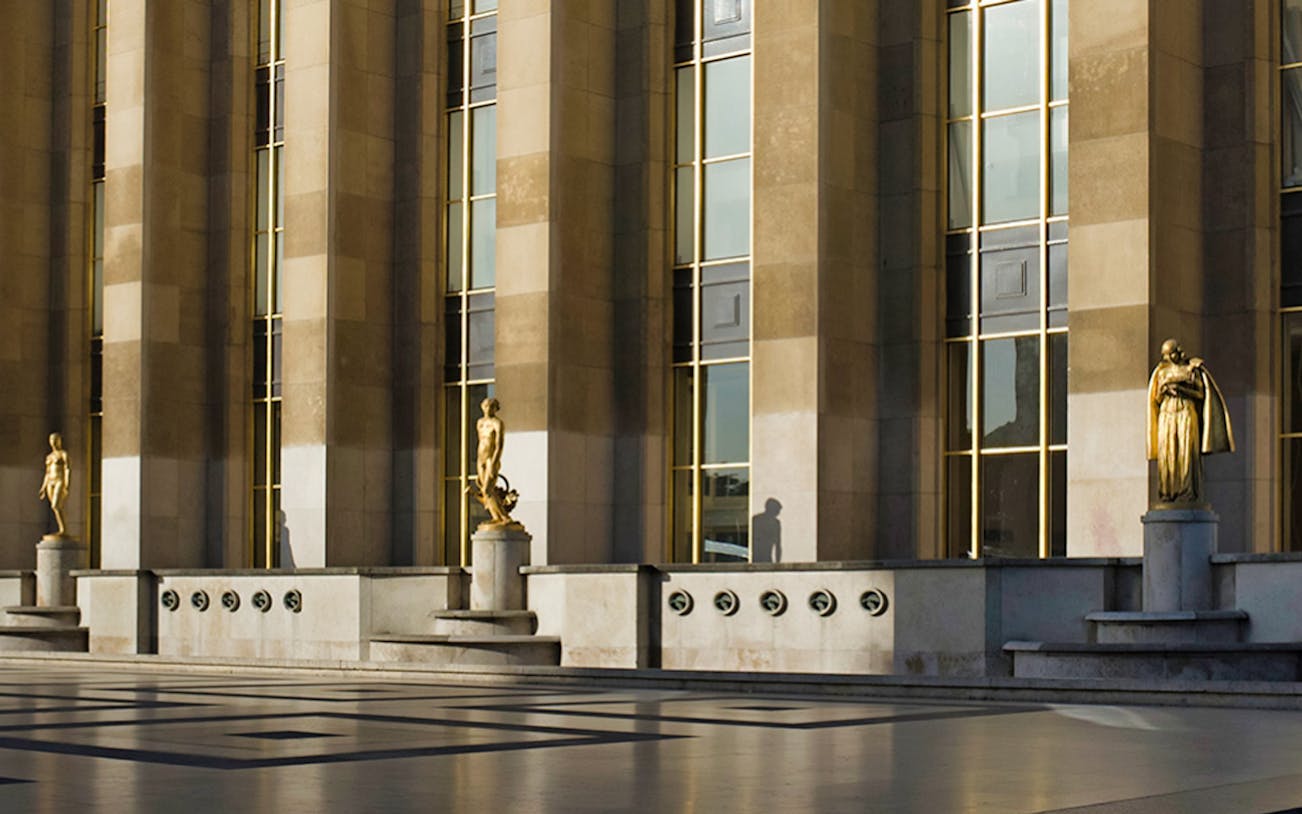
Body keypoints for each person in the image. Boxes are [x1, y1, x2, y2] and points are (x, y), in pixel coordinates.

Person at [1145, 339, 1234, 505]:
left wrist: (1181, 389)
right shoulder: (1161, 372)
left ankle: (1187, 491)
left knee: (1186, 452)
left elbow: (1200, 393)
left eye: (1172, 353)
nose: (1170, 357)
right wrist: (1165, 390)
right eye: (1166, 355)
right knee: (1168, 451)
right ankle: (1168, 491)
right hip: (1167, 413)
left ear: (1178, 351)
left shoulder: (1192, 369)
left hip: (1186, 412)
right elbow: (1156, 398)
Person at [474, 398, 511, 526]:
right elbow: (480, 441)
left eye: (491, 406)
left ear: (496, 408)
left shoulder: (497, 423)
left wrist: (494, 462)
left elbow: (498, 445)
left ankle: (503, 517)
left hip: (491, 459)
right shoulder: (479, 423)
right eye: (485, 406)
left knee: (487, 489)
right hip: (481, 458)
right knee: (486, 491)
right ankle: (497, 517)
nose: (488, 409)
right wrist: (479, 461)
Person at [38, 432, 71, 536]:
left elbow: (67, 469)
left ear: (59, 441)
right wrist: (43, 487)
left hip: (59, 480)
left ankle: (63, 529)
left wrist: (66, 484)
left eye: (55, 440)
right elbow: (47, 473)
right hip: (50, 482)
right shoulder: (49, 457)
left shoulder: (63, 454)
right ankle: (62, 529)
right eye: (51, 440)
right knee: (56, 507)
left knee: (56, 505)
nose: (53, 442)